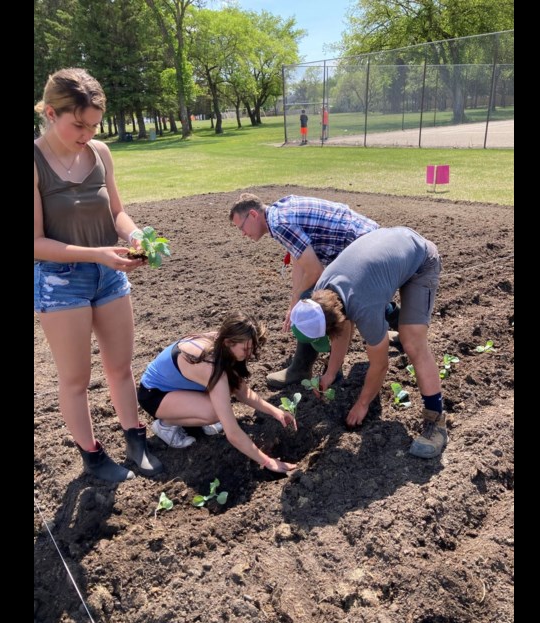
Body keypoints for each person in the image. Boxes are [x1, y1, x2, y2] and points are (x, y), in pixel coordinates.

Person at [34, 68, 163, 484]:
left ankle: (135, 440)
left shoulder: (101, 153)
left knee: (120, 367)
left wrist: (135, 233)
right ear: (51, 113)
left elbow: (117, 213)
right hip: (60, 280)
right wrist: (99, 255)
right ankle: (92, 457)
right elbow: (35, 242)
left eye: (93, 125)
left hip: (108, 276)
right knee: (76, 379)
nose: (87, 134)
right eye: (78, 124)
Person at [287, 227, 448, 459]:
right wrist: (331, 373)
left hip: (421, 260)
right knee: (387, 329)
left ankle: (436, 422)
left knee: (413, 343)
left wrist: (362, 404)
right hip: (391, 248)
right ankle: (386, 333)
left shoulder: (364, 306)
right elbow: (342, 327)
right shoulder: (323, 291)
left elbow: (380, 365)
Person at [229, 193, 399, 388]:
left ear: (253, 214)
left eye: (241, 227)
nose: (243, 233)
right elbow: (299, 263)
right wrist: (294, 300)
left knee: (315, 307)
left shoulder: (279, 225)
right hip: (367, 241)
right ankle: (402, 331)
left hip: (365, 249)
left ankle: (302, 368)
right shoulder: (278, 212)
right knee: (339, 299)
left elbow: (315, 270)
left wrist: (298, 303)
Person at [136, 312, 297, 474]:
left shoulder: (222, 343)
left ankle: (188, 412)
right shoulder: (210, 365)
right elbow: (232, 433)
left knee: (222, 395)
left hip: (177, 388)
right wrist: (267, 461)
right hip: (154, 395)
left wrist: (276, 412)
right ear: (229, 342)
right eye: (245, 349)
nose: (249, 354)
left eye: (251, 348)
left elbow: (241, 391)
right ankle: (166, 425)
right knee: (214, 413)